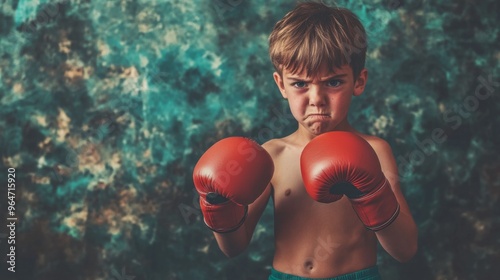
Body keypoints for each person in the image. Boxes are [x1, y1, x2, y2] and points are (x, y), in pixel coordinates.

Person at [193, 2, 418, 279]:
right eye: (300, 83)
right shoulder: (270, 155)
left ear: (359, 81)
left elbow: (405, 250)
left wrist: (371, 194)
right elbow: (234, 247)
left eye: (333, 82)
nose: (316, 99)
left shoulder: (374, 151)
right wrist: (218, 204)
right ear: (281, 85)